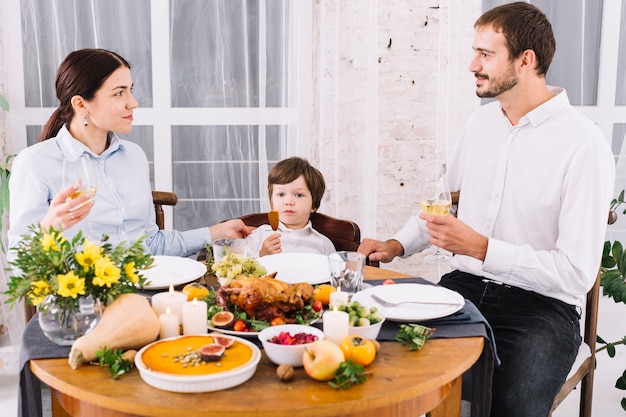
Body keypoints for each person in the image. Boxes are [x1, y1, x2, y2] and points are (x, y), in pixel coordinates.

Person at [358, 3, 615, 416]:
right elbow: (440, 206)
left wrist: (481, 247)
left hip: (543, 309)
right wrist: (396, 244)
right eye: (474, 52)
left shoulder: (584, 146)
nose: (472, 65)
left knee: (506, 407)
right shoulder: (480, 126)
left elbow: (576, 273)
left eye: (486, 54)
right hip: (466, 289)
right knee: (388, 369)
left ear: (525, 60)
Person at [8, 48, 252, 259]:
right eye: (119, 92)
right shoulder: (35, 163)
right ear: (81, 104)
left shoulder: (133, 157)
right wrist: (47, 229)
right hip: (83, 304)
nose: (133, 102)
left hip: (144, 290)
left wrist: (216, 233)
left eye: (130, 90)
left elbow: (150, 245)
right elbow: (20, 265)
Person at [245, 156, 335, 258]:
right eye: (281, 194)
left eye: (299, 195)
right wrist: (262, 255)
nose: (288, 202)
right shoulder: (259, 236)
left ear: (314, 205)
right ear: (272, 202)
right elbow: (242, 267)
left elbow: (334, 272)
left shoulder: (323, 244)